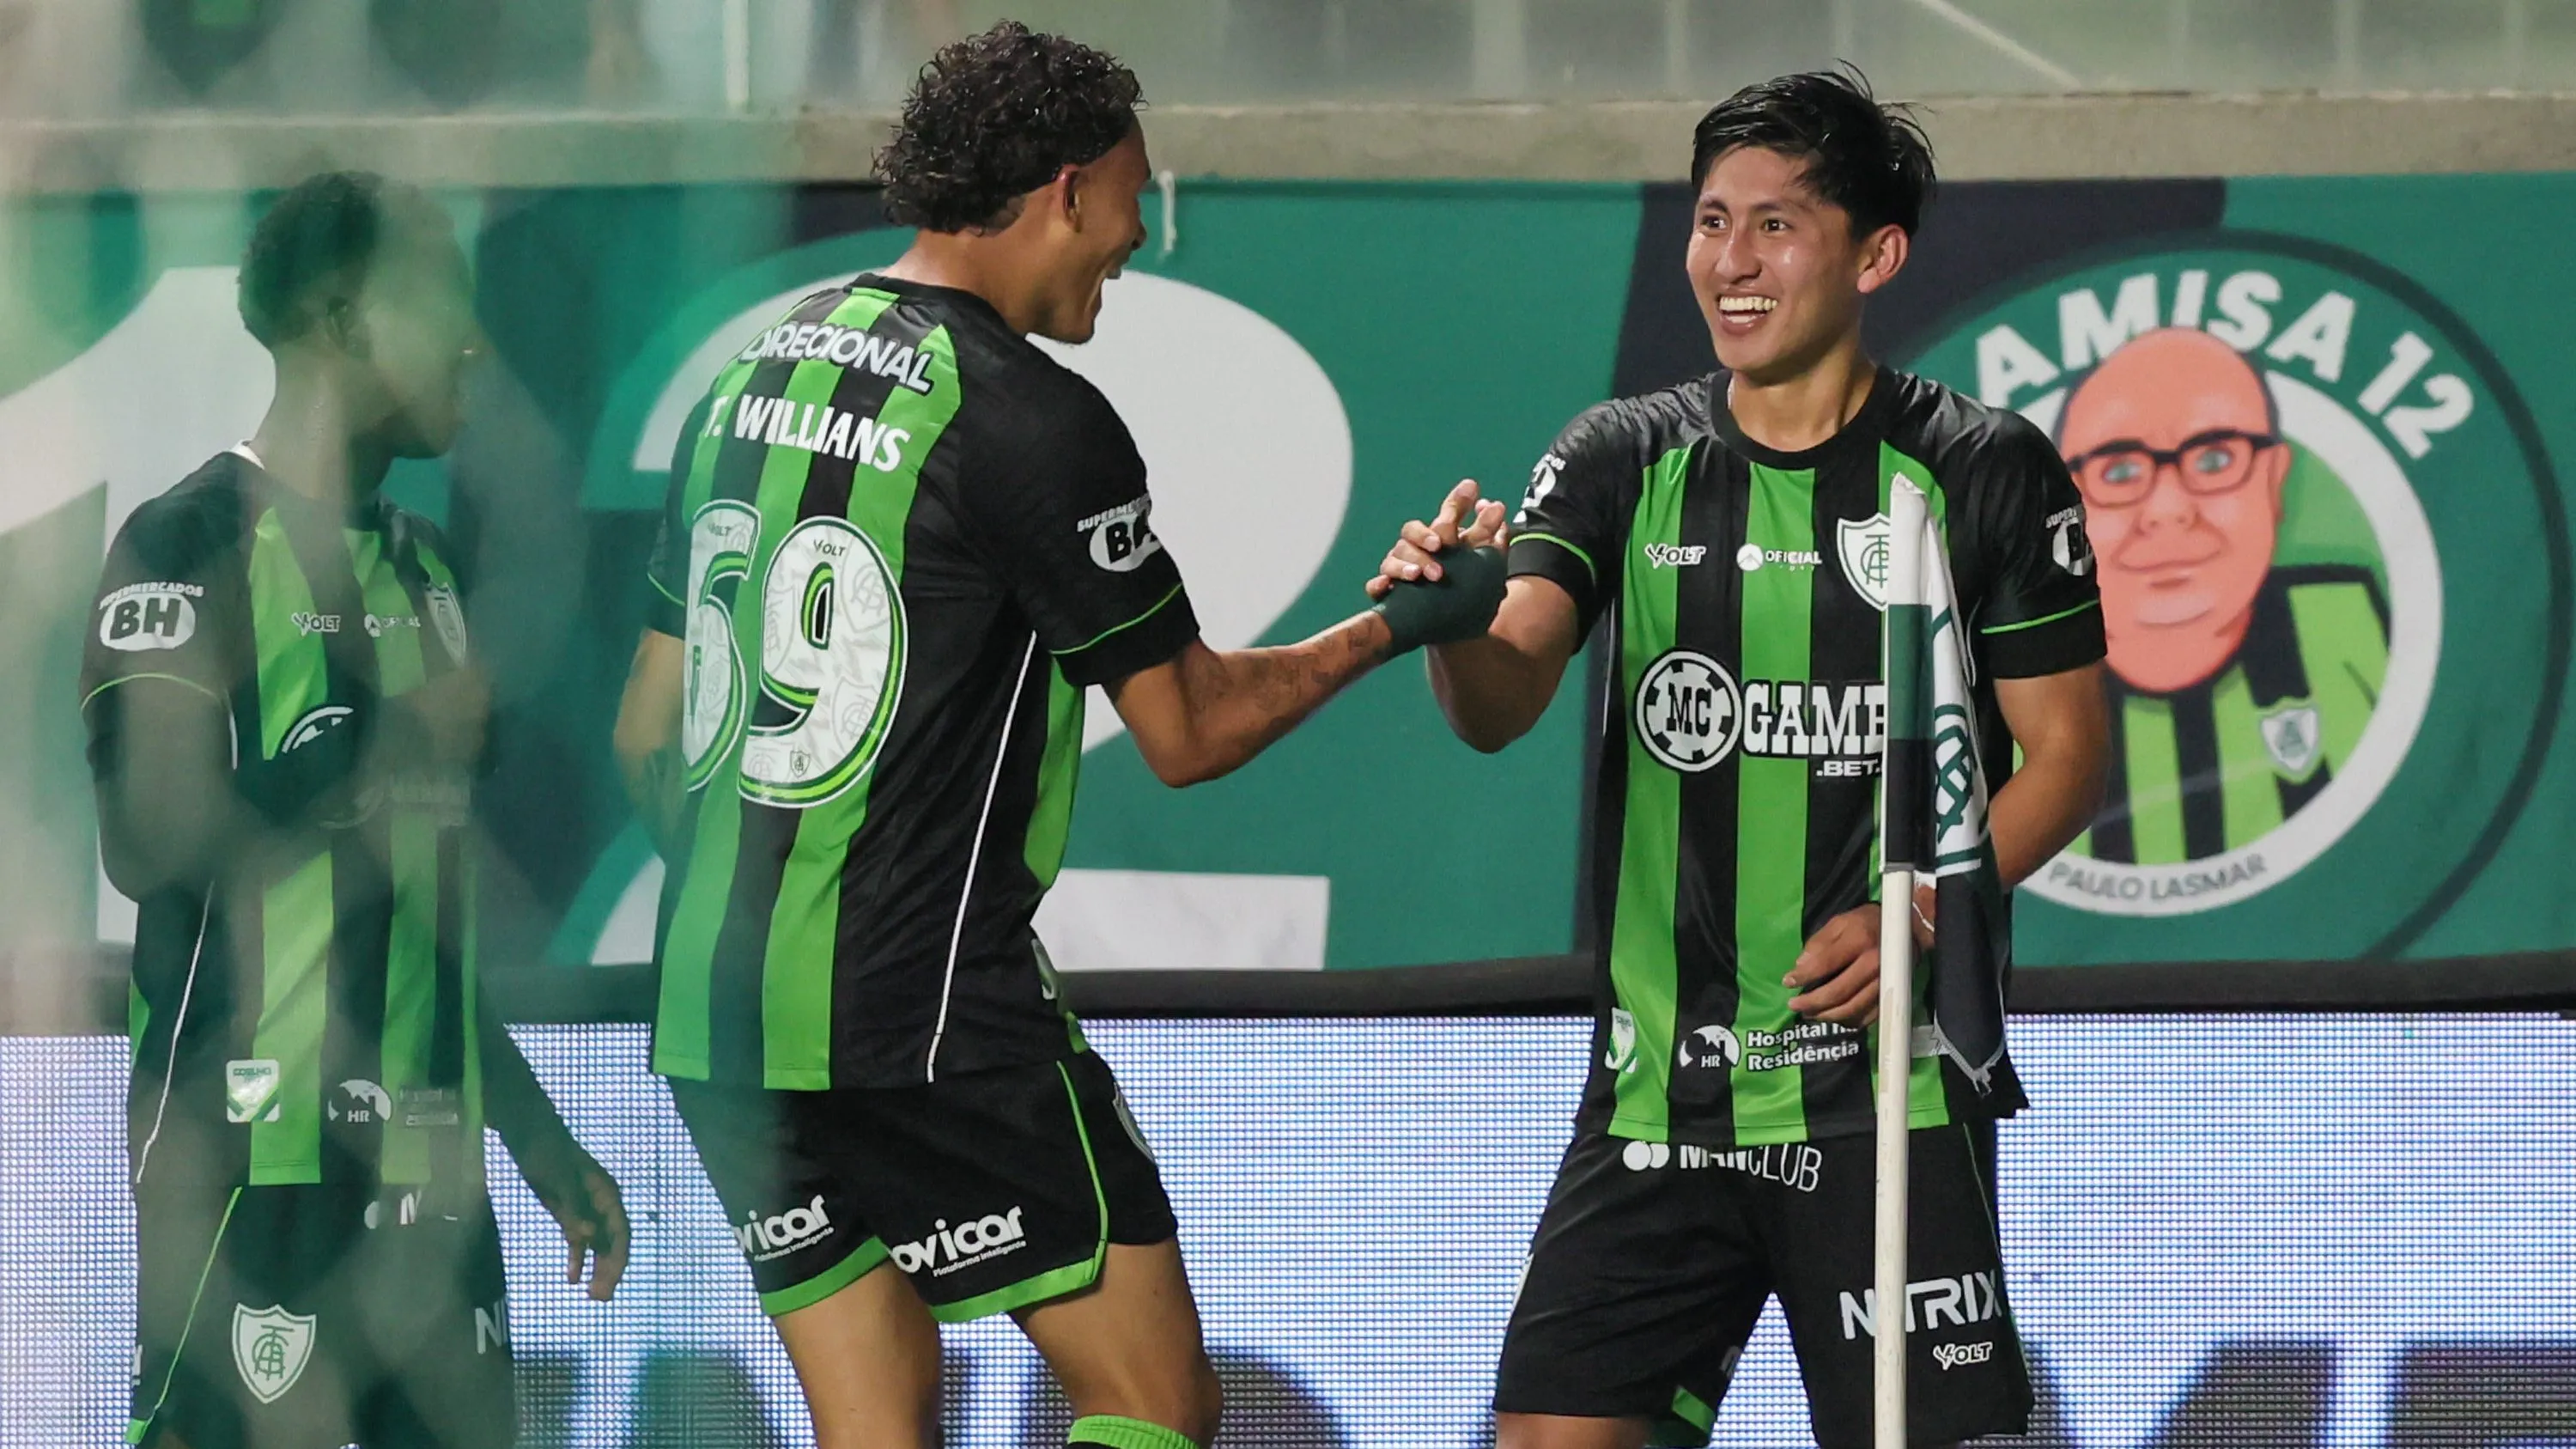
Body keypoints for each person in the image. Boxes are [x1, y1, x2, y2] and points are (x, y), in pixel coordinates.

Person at [609, 22, 1499, 1449]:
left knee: (873, 1422)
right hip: (926, 1015)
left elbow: (643, 734)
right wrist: (1402, 625)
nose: (1135, 237)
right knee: (1151, 1399)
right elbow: (1191, 729)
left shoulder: (746, 380)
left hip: (717, 1019)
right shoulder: (1030, 416)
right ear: (1071, 187)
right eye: (1134, 197)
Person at [1370, 71, 2111, 1448]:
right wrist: (1459, 620)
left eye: (1775, 225)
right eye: (1712, 222)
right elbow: (1501, 694)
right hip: (1657, 1092)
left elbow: (2069, 754)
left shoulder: (1984, 469)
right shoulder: (1617, 456)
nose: (1730, 261)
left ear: (1874, 253)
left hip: (1885, 1090)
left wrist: (1933, 908)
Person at [84, 171, 628, 1449]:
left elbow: (419, 897)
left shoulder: (423, 563)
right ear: (340, 321)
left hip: (434, 1178)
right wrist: (385, 738)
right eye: (439, 300)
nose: (472, 339)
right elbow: (142, 840)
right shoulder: (183, 544)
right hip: (252, 1169)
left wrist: (536, 1136)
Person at [2055, 326, 2389, 864]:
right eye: (2118, 471)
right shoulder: (1993, 682)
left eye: (2214, 459)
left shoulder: (2358, 630)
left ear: (2274, 483)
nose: (2168, 508)